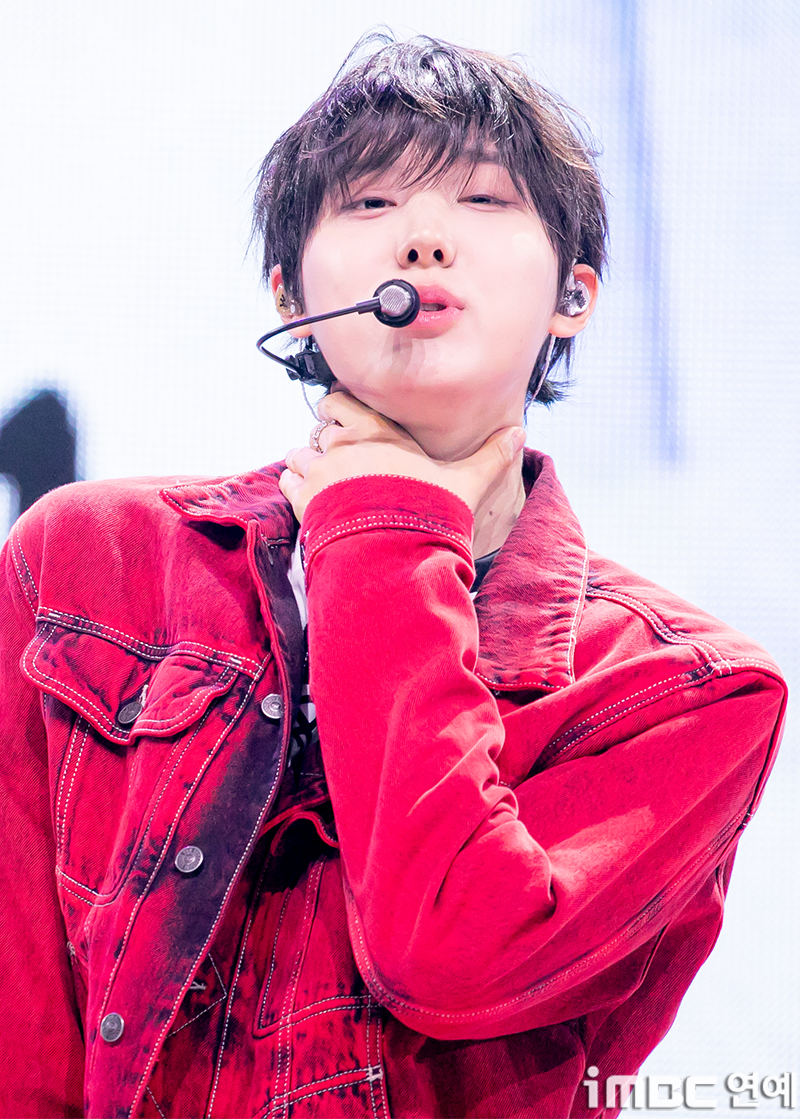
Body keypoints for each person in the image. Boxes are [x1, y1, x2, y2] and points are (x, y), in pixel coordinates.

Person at [0, 35, 787, 1119]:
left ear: (574, 294)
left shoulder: (687, 689)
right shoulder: (87, 558)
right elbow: (22, 1028)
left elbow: (447, 957)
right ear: (289, 295)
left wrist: (382, 518)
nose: (422, 239)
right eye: (369, 203)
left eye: (482, 200)